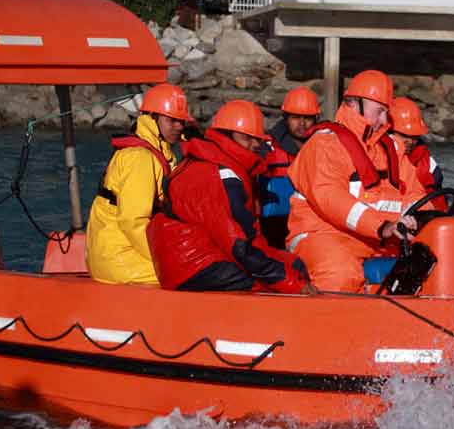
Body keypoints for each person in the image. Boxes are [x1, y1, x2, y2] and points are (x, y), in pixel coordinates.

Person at [147, 100, 309, 293]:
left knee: (292, 264)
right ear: (227, 136)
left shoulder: (212, 161)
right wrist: (294, 285)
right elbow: (240, 246)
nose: (255, 145)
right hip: (193, 265)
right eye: (247, 139)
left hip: (190, 257)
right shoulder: (220, 176)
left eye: (257, 139)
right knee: (273, 283)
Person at [286, 69, 421, 293]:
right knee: (341, 274)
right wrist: (381, 227)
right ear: (353, 104)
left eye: (386, 112)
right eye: (379, 111)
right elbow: (330, 198)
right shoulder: (324, 144)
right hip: (320, 236)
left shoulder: (391, 149)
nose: (385, 120)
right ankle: (325, 325)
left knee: (427, 264)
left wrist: (422, 219)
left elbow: (415, 193)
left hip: (376, 240)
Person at [87, 83, 196, 286]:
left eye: (181, 121)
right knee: (189, 274)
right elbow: (132, 221)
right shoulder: (140, 158)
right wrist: (163, 258)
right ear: (152, 119)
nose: (179, 126)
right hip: (118, 258)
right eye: (172, 120)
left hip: (118, 250)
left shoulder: (160, 153)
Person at [259, 86, 320, 249]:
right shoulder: (265, 148)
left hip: (314, 223)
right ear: (285, 118)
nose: (302, 123)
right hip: (275, 226)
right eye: (295, 117)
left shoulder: (325, 146)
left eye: (307, 118)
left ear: (316, 118)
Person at [388, 97, 446, 214]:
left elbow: (438, 202)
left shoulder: (429, 165)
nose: (410, 141)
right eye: (404, 135)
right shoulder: (376, 159)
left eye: (415, 136)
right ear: (389, 132)